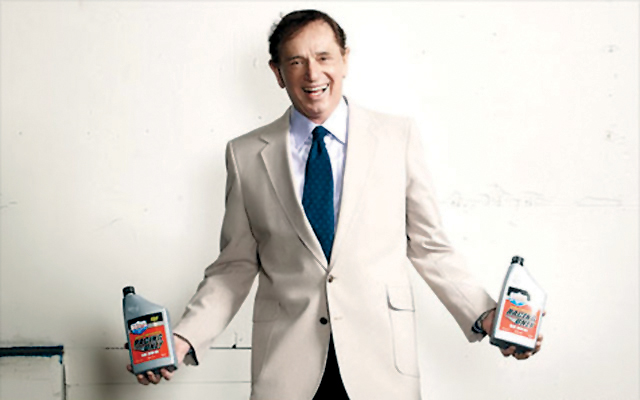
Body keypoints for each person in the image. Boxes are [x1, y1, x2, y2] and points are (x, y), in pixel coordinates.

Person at [127, 9, 543, 399]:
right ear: (277, 73)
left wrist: (486, 314)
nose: (313, 73)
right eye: (296, 62)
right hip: (286, 370)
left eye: (324, 57)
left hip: (381, 367)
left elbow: (429, 246)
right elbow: (233, 266)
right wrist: (184, 338)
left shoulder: (396, 138)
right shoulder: (245, 155)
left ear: (345, 60)